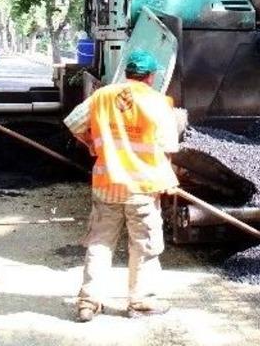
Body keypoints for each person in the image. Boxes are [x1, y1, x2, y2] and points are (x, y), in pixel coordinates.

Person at [63, 49, 180, 322]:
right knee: (144, 246)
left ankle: (88, 303)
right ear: (150, 77)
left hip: (106, 185)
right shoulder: (159, 103)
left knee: (100, 244)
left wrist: (93, 143)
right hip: (142, 188)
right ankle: (140, 303)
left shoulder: (102, 96)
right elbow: (170, 145)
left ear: (127, 73)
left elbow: (73, 123)